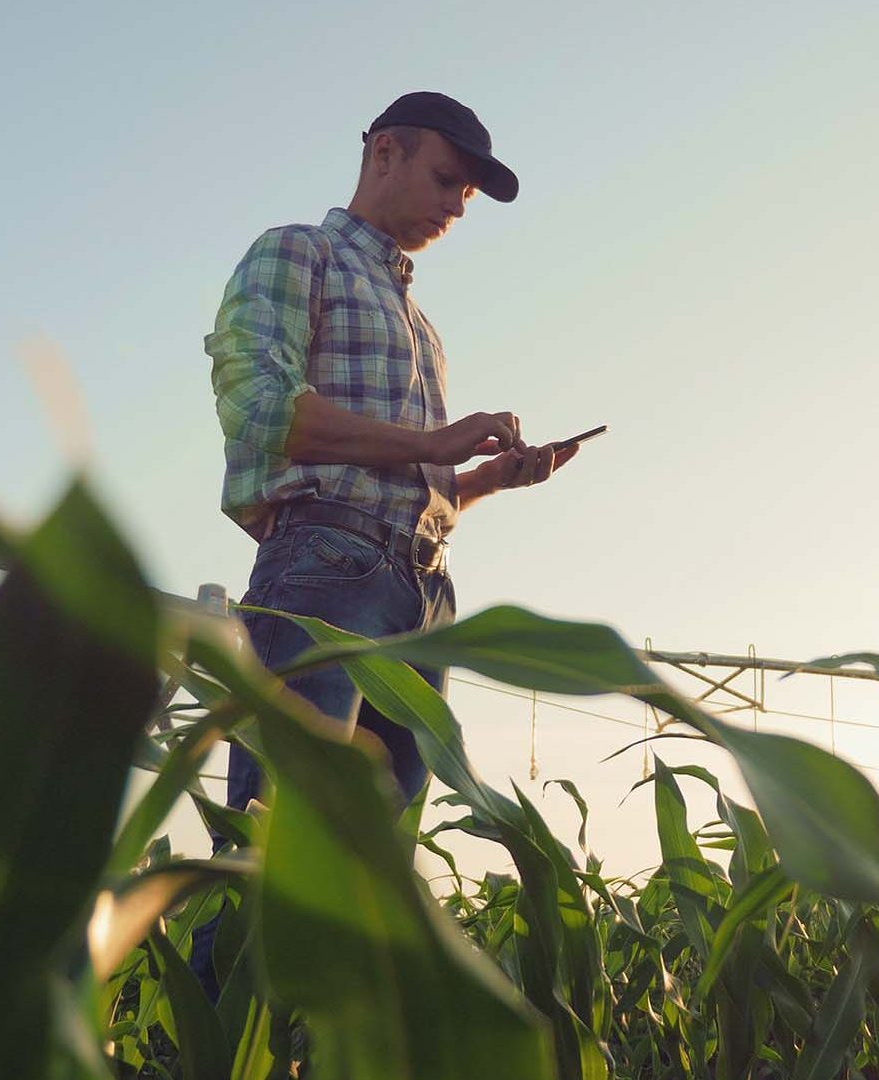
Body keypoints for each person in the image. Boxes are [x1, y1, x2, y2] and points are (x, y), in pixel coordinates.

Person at [192, 91, 574, 995]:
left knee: (370, 886)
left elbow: (408, 490)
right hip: (323, 572)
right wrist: (432, 444)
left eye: (468, 197)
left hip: (420, 591)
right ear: (386, 153)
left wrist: (480, 482)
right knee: (276, 847)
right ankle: (208, 1049)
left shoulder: (421, 327)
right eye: (447, 179)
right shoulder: (300, 253)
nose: (455, 206)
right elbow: (257, 411)